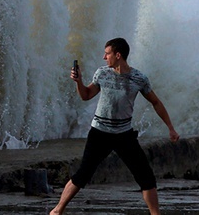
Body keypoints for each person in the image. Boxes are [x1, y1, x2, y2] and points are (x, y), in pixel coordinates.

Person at [50, 38, 180, 215]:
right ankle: (57, 211)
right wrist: (78, 82)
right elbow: (86, 95)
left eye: (107, 53)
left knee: (146, 177)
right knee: (83, 174)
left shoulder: (139, 78)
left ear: (118, 55)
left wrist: (171, 128)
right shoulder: (102, 73)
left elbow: (156, 102)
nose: (104, 57)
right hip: (99, 133)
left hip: (124, 135)